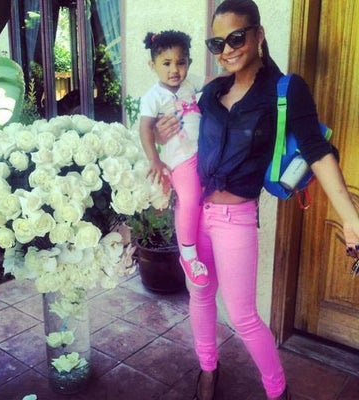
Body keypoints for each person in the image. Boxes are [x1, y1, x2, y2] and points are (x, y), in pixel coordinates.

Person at [155, 1, 359, 399]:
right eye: (218, 43)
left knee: (243, 315)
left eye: (237, 38)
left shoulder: (285, 90)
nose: (227, 50)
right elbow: (185, 140)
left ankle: (277, 390)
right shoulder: (212, 91)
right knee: (200, 294)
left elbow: (317, 151)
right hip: (194, 213)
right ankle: (208, 369)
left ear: (259, 34)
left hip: (235, 219)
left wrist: (349, 217)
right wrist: (164, 133)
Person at [139, 30, 209, 288]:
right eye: (166, 63)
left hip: (202, 153)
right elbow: (145, 129)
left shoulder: (190, 83)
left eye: (181, 62)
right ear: (153, 65)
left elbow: (214, 81)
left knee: (203, 203)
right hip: (180, 159)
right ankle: (188, 256)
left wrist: (236, 74)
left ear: (189, 62)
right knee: (189, 200)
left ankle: (201, 250)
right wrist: (154, 160)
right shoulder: (153, 97)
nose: (174, 70)